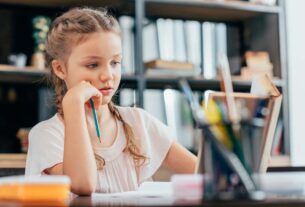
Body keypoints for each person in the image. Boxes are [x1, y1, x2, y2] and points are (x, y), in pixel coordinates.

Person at [25, 7, 197, 196]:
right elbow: (82, 185)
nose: (108, 75)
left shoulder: (138, 122)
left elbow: (202, 171)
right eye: (92, 65)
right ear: (60, 69)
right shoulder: (46, 136)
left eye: (115, 62)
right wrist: (73, 105)